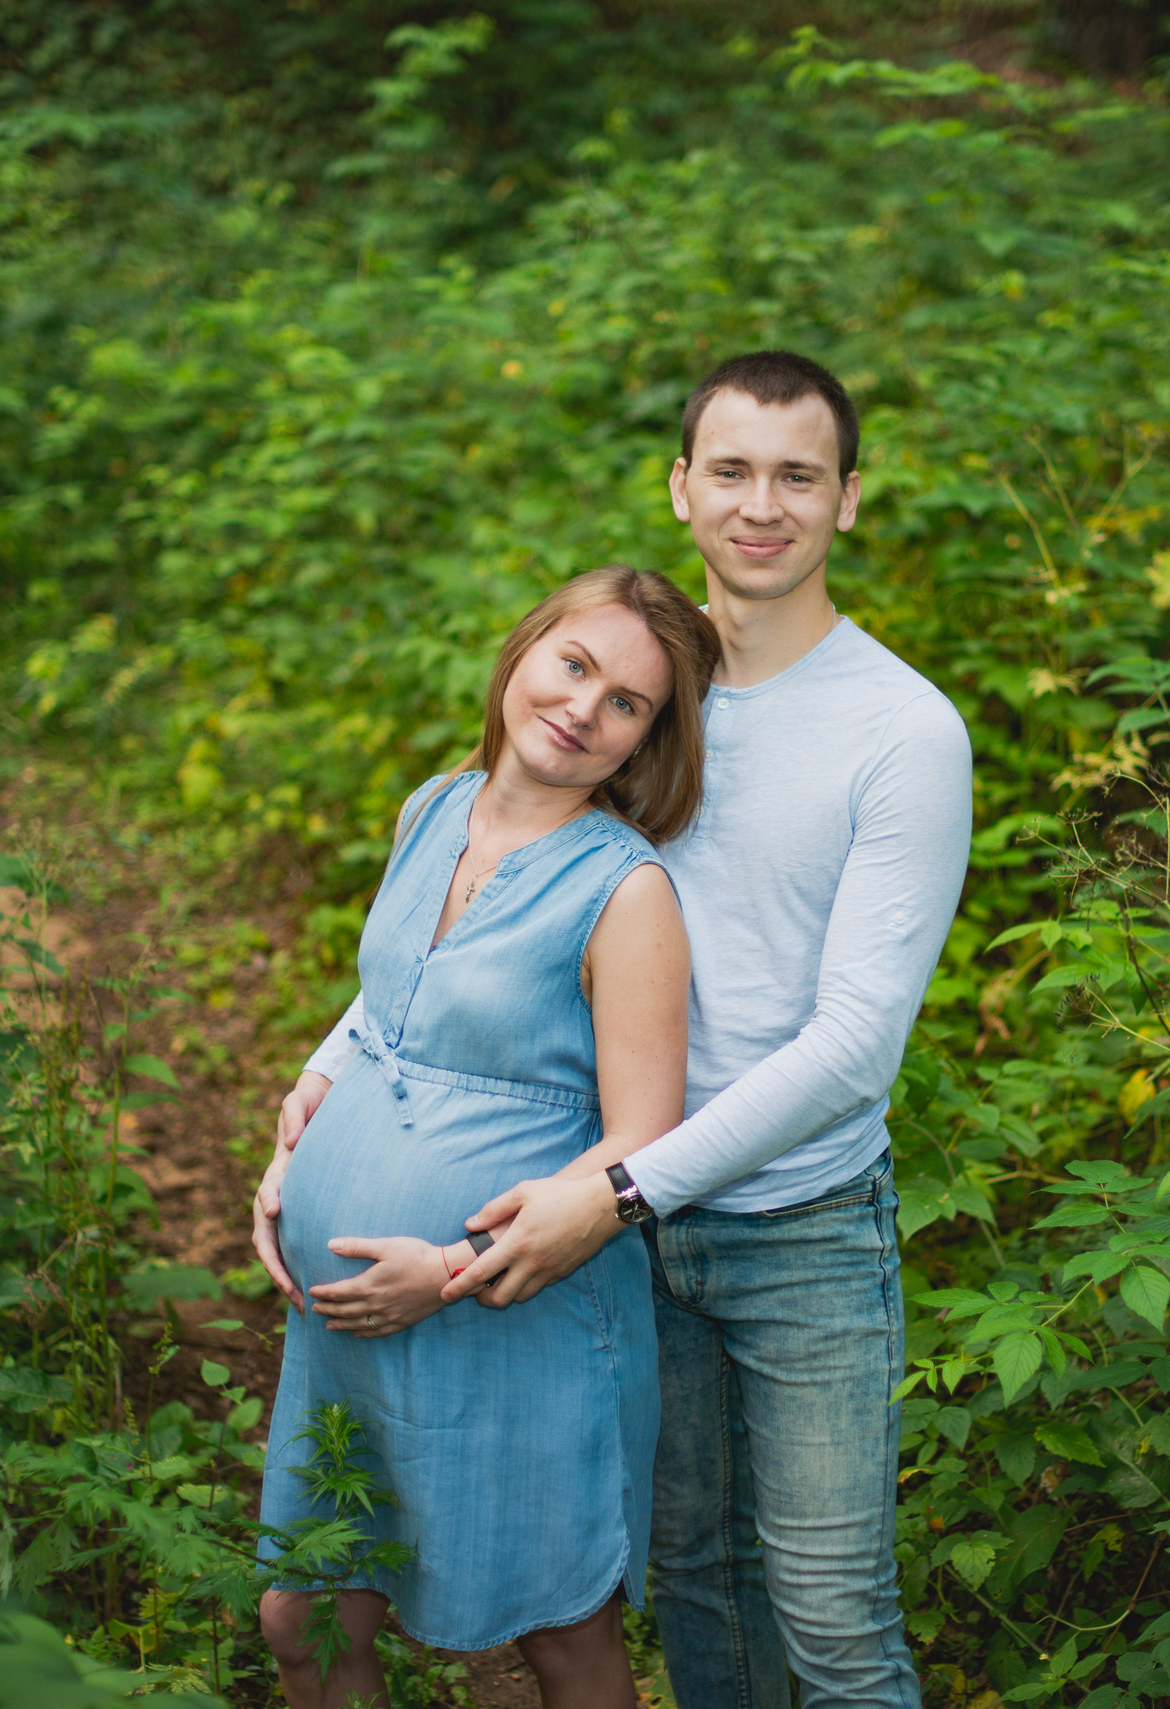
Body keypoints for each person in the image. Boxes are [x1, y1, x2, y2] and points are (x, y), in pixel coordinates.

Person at [261, 352, 973, 1708]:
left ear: (850, 501)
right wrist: (331, 1065)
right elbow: (498, 887)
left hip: (786, 1229)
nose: (762, 506)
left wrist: (620, 1190)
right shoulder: (641, 690)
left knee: (831, 1617)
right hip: (610, 1228)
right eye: (732, 471)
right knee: (694, 1581)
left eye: (799, 476)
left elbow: (854, 1046)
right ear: (681, 487)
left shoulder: (901, 731)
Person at [247, 565, 721, 1709]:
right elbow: (392, 1009)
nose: (583, 706)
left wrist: (448, 1271)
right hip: (353, 1318)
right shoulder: (432, 807)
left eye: (627, 703)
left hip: (519, 1316)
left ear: (646, 741)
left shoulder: (627, 891)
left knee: (560, 1636)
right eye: (575, 664)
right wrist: (302, 1128)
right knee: (302, 1610)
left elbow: (639, 1144)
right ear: (525, 650)